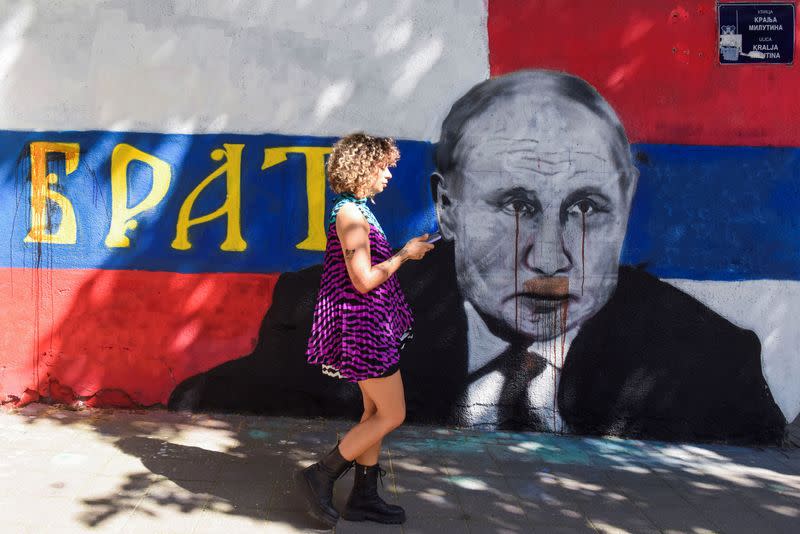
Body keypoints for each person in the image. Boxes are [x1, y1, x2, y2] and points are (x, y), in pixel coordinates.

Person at [169, 69, 785, 445]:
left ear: (626, 206)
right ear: (448, 208)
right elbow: (210, 402)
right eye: (517, 205)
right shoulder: (316, 310)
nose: (549, 257)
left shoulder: (710, 359)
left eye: (587, 208)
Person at [294, 133, 433, 527]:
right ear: (362, 169)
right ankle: (319, 473)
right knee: (393, 413)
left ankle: (364, 497)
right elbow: (362, 280)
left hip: (371, 325)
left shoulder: (358, 210)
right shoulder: (350, 216)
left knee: (374, 410)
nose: (388, 175)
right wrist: (405, 254)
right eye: (382, 167)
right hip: (363, 330)